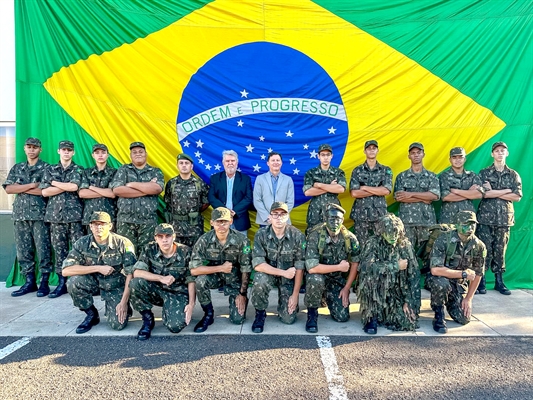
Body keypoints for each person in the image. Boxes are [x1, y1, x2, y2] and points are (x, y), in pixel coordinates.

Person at [62, 211, 136, 334]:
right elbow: (66, 270)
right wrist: (97, 268)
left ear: (110, 226)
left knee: (117, 325)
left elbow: (131, 274)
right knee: (73, 282)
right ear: (90, 226)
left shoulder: (123, 243)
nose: (98, 227)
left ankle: (124, 307)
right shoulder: (82, 243)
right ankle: (91, 314)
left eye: (102, 224)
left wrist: (123, 302)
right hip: (93, 282)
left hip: (115, 285)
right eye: (95, 224)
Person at [3, 138, 53, 297]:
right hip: (20, 214)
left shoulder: (47, 168)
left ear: (40, 149)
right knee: (23, 250)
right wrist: (31, 185)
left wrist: (21, 188)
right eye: (29, 147)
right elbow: (9, 189)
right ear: (24, 149)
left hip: (40, 214)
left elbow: (45, 191)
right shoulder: (18, 167)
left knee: (43, 248)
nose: (32, 150)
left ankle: (44, 282)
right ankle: (29, 282)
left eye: (35, 147)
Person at [189, 207, 252, 333]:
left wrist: (242, 294)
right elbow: (194, 270)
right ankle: (208, 313)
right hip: (214, 275)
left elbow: (246, 269)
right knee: (200, 281)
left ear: (231, 221)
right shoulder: (204, 240)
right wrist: (221, 268)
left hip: (234, 279)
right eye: (218, 222)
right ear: (212, 222)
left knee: (237, 320)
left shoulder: (241, 240)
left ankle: (237, 300)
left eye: (224, 221)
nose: (221, 225)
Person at [129, 223, 195, 340]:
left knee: (175, 327)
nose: (164, 240)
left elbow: (191, 280)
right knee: (135, 283)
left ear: (174, 237)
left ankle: (169, 310)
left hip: (177, 294)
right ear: (155, 238)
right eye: (160, 236)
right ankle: (147, 319)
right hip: (156, 290)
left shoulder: (185, 252)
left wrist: (191, 304)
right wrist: (160, 278)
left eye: (168, 236)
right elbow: (137, 272)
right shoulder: (149, 249)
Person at [357, 213, 420, 334]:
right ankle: (372, 316)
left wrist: (410, 302)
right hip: (378, 289)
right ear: (381, 231)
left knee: (407, 322)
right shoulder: (373, 243)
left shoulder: (405, 245)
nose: (393, 236)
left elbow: (414, 275)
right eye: (389, 232)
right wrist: (396, 266)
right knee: (370, 279)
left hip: (397, 292)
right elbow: (367, 267)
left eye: (396, 232)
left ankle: (389, 313)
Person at [427, 211, 486, 333]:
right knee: (441, 284)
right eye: (465, 224)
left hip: (458, 285)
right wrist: (463, 274)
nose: (470, 228)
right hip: (441, 279)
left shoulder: (479, 246)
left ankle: (451, 301)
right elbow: (435, 270)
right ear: (457, 225)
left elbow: (478, 274)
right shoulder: (443, 240)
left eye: (472, 225)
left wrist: (468, 299)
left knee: (464, 319)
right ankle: (438, 315)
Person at [250, 202, 305, 333]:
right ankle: (260, 313)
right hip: (271, 275)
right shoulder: (261, 234)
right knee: (259, 280)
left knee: (288, 319)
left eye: (282, 214)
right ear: (270, 217)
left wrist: (295, 295)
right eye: (275, 214)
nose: (279, 217)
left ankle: (285, 305)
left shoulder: (297, 236)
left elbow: (300, 267)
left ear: (287, 216)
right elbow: (258, 264)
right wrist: (283, 272)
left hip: (289, 280)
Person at [304, 204, 359, 333]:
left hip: (336, 280)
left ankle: (327, 297)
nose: (335, 222)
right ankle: (312, 313)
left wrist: (346, 288)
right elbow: (312, 268)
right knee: (315, 279)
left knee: (342, 317)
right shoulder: (315, 236)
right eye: (331, 219)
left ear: (342, 220)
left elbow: (355, 263)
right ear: (325, 219)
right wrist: (339, 267)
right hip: (319, 276)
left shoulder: (349, 238)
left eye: (338, 219)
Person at [476, 141, 522, 295]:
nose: (500, 153)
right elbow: (484, 194)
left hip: (504, 219)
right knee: (484, 249)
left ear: (507, 153)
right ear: (492, 154)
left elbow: (517, 196)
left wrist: (495, 191)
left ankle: (499, 281)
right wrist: (506, 190)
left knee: (500, 250)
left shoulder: (513, 174)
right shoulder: (484, 173)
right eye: (497, 151)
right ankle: (480, 281)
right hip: (485, 219)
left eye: (503, 150)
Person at [40, 140, 84, 298]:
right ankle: (61, 283)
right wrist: (65, 185)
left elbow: (75, 187)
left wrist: (54, 183)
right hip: (55, 217)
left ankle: (79, 282)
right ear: (59, 151)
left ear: (73, 153)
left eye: (69, 150)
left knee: (78, 250)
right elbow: (44, 192)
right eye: (64, 150)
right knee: (60, 251)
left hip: (75, 217)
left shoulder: (78, 169)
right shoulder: (50, 169)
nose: (66, 152)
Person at [111, 142, 164, 254]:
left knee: (147, 255)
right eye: (134, 152)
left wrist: (131, 184)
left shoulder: (155, 171)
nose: (138, 154)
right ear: (130, 155)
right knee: (125, 254)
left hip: (148, 222)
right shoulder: (123, 170)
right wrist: (146, 189)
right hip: (126, 221)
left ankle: (143, 272)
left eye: (141, 151)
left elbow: (156, 189)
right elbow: (117, 190)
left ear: (146, 154)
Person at [393, 142, 440, 253]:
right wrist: (424, 198)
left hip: (427, 221)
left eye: (419, 152)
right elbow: (399, 197)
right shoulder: (402, 176)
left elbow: (435, 196)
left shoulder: (431, 176)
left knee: (427, 254)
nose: (416, 155)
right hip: (407, 222)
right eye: (413, 153)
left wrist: (410, 194)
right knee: (406, 253)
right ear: (409, 156)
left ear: (423, 154)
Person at [349, 140, 393, 245]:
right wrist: (377, 190)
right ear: (364, 151)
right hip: (361, 215)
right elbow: (354, 193)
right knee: (362, 246)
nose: (371, 150)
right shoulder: (357, 170)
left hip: (379, 215)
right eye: (369, 148)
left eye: (374, 148)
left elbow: (386, 190)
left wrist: (364, 187)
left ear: (377, 150)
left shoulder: (385, 170)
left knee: (380, 245)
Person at [164, 153, 209, 247]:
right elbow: (168, 202)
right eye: (181, 163)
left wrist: (194, 212)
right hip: (175, 227)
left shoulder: (199, 183)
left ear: (191, 166)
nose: (184, 165)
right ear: (177, 166)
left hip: (194, 227)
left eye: (186, 163)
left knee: (194, 255)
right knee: (176, 255)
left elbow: (206, 202)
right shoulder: (171, 183)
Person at [303, 144, 346, 234]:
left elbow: (341, 189)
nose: (325, 157)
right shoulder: (311, 173)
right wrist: (330, 186)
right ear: (318, 156)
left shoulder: (338, 172)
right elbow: (308, 192)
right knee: (313, 238)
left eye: (328, 155)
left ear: (331, 156)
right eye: (323, 155)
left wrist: (318, 185)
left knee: (334, 237)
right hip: (315, 212)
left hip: (334, 212)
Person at [208, 150, 253, 236]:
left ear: (237, 162)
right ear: (223, 163)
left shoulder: (245, 179)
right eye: (227, 161)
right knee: (219, 247)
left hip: (239, 220)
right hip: (220, 219)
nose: (230, 163)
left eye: (233, 161)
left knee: (241, 247)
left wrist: (234, 211)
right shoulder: (215, 178)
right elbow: (211, 197)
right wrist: (225, 211)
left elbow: (248, 198)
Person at [438, 147, 483, 224]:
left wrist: (455, 191)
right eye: (454, 157)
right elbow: (446, 197)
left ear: (464, 159)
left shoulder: (472, 176)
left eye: (460, 157)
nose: (457, 160)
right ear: (450, 160)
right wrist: (469, 193)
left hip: (468, 218)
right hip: (449, 218)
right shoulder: (444, 176)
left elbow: (479, 195)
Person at [79, 143, 117, 232]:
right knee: (90, 245)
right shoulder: (86, 172)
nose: (100, 155)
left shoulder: (115, 172)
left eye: (103, 152)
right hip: (90, 217)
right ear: (93, 155)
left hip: (109, 217)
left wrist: (92, 187)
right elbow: (82, 193)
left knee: (110, 245)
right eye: (97, 153)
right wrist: (104, 192)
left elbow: (112, 194)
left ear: (108, 155)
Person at [253, 152, 295, 226]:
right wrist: (268, 217)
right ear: (268, 163)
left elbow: (290, 201)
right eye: (273, 160)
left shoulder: (288, 180)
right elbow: (257, 200)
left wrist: (281, 216)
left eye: (278, 160)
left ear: (281, 163)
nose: (275, 162)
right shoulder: (260, 179)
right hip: (265, 221)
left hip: (282, 221)